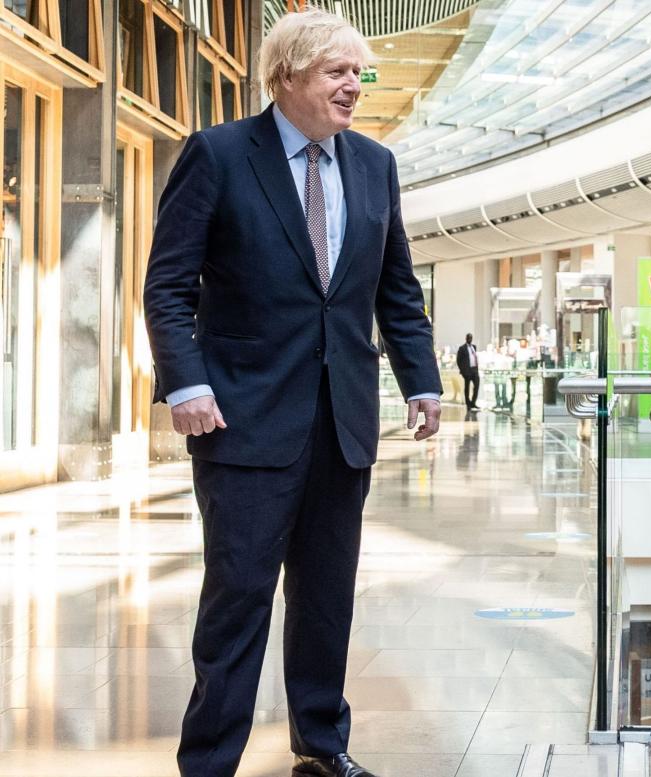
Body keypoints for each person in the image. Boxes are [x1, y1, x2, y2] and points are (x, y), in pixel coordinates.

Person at [143, 9, 441, 777]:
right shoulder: (217, 155)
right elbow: (168, 285)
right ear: (287, 76)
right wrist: (186, 381)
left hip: (341, 420)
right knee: (237, 600)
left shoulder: (375, 165)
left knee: (326, 598)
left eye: (358, 72)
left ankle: (321, 739)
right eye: (337, 71)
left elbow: (396, 290)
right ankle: (209, 760)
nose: (354, 85)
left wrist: (422, 380)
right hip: (241, 419)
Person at [456, 332, 481, 410]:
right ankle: (468, 404)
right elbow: (458, 360)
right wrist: (462, 371)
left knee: (476, 386)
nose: (470, 339)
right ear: (466, 338)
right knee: (467, 388)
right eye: (468, 338)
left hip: (474, 370)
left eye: (471, 338)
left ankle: (473, 403)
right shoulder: (462, 348)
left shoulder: (474, 347)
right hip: (467, 371)